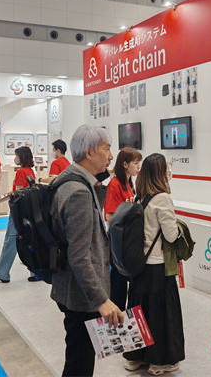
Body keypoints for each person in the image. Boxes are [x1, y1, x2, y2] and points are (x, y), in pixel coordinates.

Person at [50, 124, 123, 377]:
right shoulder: (79, 192)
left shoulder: (71, 180)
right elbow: (79, 256)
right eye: (106, 149)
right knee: (79, 364)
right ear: (90, 153)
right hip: (81, 295)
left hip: (70, 288)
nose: (111, 156)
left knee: (78, 357)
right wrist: (101, 300)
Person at [123, 153, 184, 376]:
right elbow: (170, 235)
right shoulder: (163, 198)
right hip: (158, 265)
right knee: (160, 313)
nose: (169, 170)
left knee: (138, 311)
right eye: (167, 167)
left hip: (139, 265)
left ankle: (134, 358)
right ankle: (160, 362)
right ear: (160, 172)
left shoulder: (139, 196)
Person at [0, 146, 35, 284]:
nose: (15, 158)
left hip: (18, 211)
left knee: (10, 240)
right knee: (28, 241)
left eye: (17, 155)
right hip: (28, 211)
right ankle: (36, 272)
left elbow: (17, 194)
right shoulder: (30, 171)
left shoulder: (21, 172)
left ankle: (1, 273)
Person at [104, 147, 142, 311]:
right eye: (135, 163)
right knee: (118, 283)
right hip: (118, 241)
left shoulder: (129, 183)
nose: (138, 167)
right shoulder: (115, 184)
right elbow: (110, 216)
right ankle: (116, 316)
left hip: (127, 239)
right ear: (125, 164)